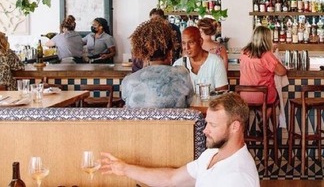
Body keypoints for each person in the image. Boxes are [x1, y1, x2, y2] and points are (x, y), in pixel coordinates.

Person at [100, 92, 259, 187]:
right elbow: (171, 178)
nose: (205, 130)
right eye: (206, 123)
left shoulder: (237, 177)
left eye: (212, 125)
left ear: (235, 127)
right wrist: (124, 169)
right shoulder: (212, 155)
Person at [120, 19, 193, 108]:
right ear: (170, 52)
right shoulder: (182, 74)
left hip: (139, 122)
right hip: (174, 122)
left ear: (144, 54)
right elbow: (190, 102)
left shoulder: (129, 81)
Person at [238, 26, 287, 113]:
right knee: (279, 97)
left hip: (244, 96)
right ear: (267, 39)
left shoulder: (244, 52)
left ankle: (262, 119)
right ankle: (264, 119)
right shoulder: (266, 55)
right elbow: (282, 71)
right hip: (263, 95)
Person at [174, 26, 228, 92]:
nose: (186, 47)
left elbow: (223, 95)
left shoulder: (216, 63)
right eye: (184, 43)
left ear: (200, 41)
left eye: (191, 42)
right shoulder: (178, 65)